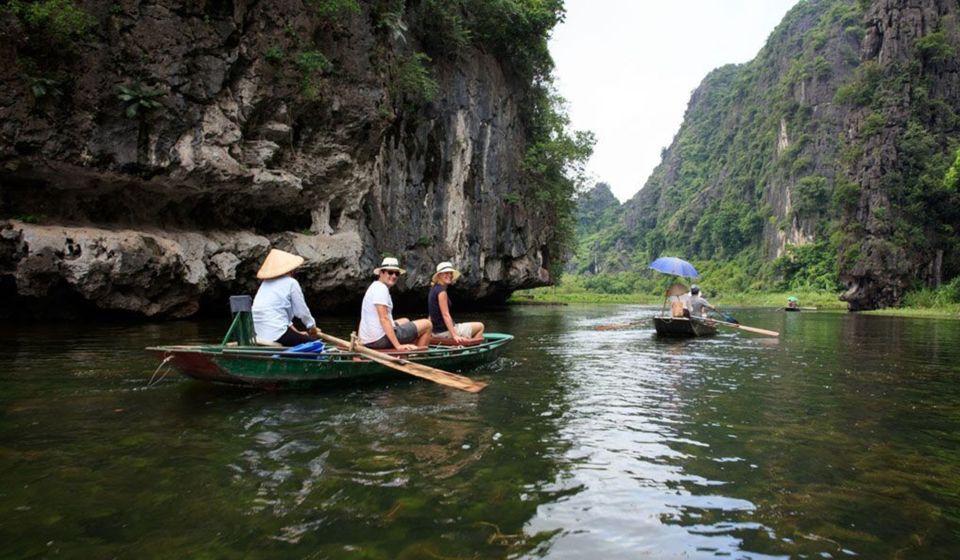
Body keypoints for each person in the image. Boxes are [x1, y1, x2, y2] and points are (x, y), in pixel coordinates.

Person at [251, 248, 322, 346]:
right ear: (291, 270)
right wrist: (312, 327)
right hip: (277, 334)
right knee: (316, 344)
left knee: (301, 338)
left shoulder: (265, 284)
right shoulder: (291, 283)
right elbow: (302, 311)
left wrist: (297, 333)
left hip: (258, 334)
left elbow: (281, 318)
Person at [358, 257, 431, 350]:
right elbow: (384, 319)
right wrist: (398, 346)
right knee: (427, 324)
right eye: (390, 272)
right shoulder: (381, 289)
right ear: (381, 273)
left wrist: (361, 340)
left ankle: (409, 349)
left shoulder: (374, 286)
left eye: (396, 273)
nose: (394, 276)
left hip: (369, 339)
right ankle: (417, 356)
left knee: (405, 320)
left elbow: (364, 317)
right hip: (379, 340)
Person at [428, 261, 485, 343]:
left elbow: (431, 314)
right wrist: (455, 335)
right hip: (444, 332)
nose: (450, 275)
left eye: (450, 273)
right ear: (439, 275)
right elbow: (446, 315)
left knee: (462, 326)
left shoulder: (433, 289)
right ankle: (471, 351)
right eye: (446, 273)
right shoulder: (441, 292)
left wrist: (431, 331)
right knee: (480, 326)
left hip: (436, 332)